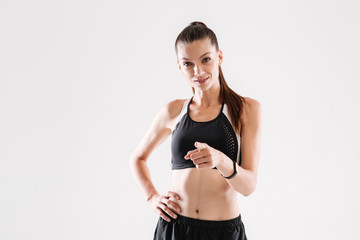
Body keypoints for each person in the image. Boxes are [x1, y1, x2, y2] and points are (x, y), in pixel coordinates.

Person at [129, 21, 262, 240]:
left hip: (223, 233)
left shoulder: (246, 109)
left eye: (206, 59)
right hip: (175, 229)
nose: (198, 71)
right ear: (180, 67)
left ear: (219, 57)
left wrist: (220, 160)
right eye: (188, 64)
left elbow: (248, 186)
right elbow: (138, 158)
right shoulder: (173, 110)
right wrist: (152, 198)